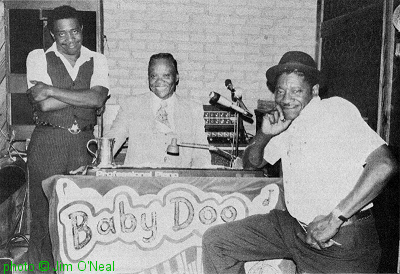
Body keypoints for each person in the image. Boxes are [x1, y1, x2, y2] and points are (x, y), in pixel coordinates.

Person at [202, 51, 398, 273]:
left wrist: (336, 218)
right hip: (295, 228)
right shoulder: (289, 123)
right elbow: (251, 163)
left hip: (340, 240)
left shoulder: (334, 110)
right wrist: (265, 135)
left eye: (296, 91)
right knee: (218, 242)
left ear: (313, 91)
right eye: (281, 91)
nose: (286, 99)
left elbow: (384, 165)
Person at [26, 5, 109, 272]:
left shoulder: (98, 59)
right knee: (43, 219)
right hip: (47, 145)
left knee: (84, 215)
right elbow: (42, 105)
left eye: (74, 31)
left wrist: (51, 89)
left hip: (84, 147)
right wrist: (85, 98)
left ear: (82, 30)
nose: (69, 39)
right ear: (52, 34)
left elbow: (98, 98)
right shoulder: (37, 57)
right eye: (61, 34)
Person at [105, 53, 211, 168]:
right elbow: (111, 141)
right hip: (139, 183)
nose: (159, 82)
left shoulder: (193, 109)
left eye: (166, 76)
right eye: (154, 76)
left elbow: (201, 155)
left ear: (176, 77)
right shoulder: (131, 105)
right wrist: (95, 167)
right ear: (148, 78)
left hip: (179, 184)